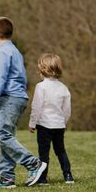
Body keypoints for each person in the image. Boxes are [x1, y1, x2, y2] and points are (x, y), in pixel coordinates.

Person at [0, 17, 47, 188]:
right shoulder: (15, 51)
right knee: (7, 136)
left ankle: (33, 163)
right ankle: (7, 178)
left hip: (9, 98)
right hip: (19, 97)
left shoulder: (3, 52)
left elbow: (0, 80)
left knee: (1, 135)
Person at [28, 53, 74, 184]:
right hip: (59, 125)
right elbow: (67, 110)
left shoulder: (41, 87)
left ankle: (42, 178)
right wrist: (63, 122)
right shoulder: (63, 88)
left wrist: (32, 123)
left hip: (44, 125)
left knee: (44, 153)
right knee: (60, 151)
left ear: (42, 69)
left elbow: (36, 107)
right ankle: (68, 175)